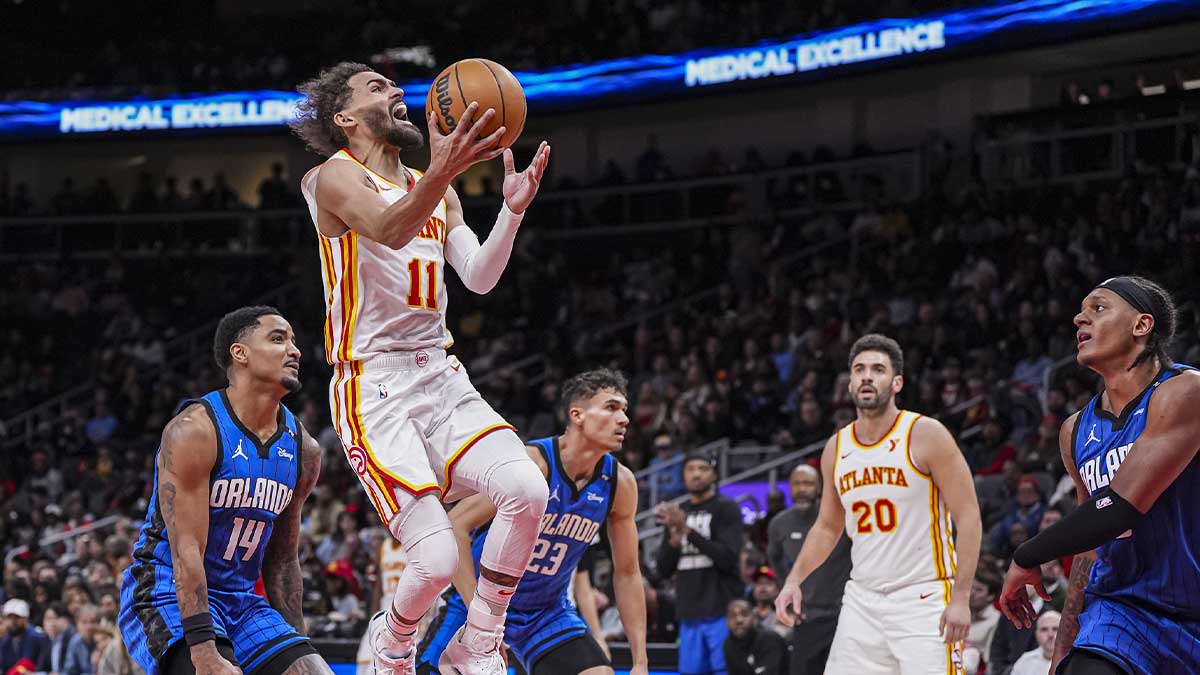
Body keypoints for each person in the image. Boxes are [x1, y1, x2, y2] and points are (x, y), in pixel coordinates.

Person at [292, 62, 552, 675]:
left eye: (395, 85)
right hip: (373, 386)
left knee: (526, 489)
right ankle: (393, 640)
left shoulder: (439, 189)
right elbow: (387, 226)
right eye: (377, 88)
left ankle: (481, 635)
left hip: (439, 371)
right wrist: (444, 170)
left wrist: (510, 214)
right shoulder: (330, 176)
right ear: (345, 117)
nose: (397, 93)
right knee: (434, 562)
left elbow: (480, 277)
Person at [999, 276, 1200, 674]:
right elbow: (1089, 546)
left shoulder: (1184, 391)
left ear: (1142, 325)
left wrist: (1028, 553)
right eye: (1081, 310)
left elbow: (1118, 508)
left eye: (1098, 308)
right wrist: (1062, 656)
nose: (1079, 318)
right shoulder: (1074, 430)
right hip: (1123, 613)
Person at [117, 307, 329, 675]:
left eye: (294, 341)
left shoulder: (304, 450)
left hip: (241, 601)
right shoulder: (193, 431)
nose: (294, 350)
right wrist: (204, 653)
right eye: (278, 339)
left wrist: (295, 645)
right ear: (240, 353)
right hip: (165, 589)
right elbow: (186, 552)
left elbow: (281, 560)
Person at [417, 369, 648, 675]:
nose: (624, 419)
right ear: (577, 415)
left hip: (545, 613)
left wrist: (640, 661)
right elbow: (456, 523)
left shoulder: (620, 483)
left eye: (624, 410)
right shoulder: (531, 464)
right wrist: (481, 617)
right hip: (482, 601)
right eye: (611, 407)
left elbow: (628, 573)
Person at [775, 334, 983, 674]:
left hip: (924, 597)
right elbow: (828, 525)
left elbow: (969, 516)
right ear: (850, 382)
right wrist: (793, 580)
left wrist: (961, 598)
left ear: (897, 381)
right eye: (859, 369)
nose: (867, 376)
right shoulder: (837, 447)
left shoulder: (925, 434)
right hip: (862, 601)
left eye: (878, 369)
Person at [655, 454, 745, 675]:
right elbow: (663, 570)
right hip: (688, 611)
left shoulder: (726, 508)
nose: (696, 474)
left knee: (724, 670)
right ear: (683, 476)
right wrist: (674, 542)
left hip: (721, 609)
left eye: (703, 469)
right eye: (690, 469)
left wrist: (687, 531)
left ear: (714, 474)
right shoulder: (678, 511)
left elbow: (728, 558)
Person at [765, 463, 850, 675]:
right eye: (796, 484)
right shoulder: (779, 523)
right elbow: (774, 557)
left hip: (845, 613)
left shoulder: (841, 517)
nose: (802, 489)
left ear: (820, 487)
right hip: (807, 616)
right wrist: (785, 587)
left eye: (808, 483)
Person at [723, 600, 788, 675]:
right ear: (726, 621)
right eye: (733, 616)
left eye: (744, 614)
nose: (739, 620)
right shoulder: (728, 644)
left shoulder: (769, 639)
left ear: (754, 617)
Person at [1, 599, 50, 675]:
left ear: (26, 618)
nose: (13, 622)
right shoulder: (5, 641)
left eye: (17, 617)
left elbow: (41, 666)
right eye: (9, 617)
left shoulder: (38, 638)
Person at [42, 602, 92, 675]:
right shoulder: (50, 639)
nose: (50, 623)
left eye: (52, 618)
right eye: (47, 619)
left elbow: (81, 671)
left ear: (65, 619)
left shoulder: (73, 638)